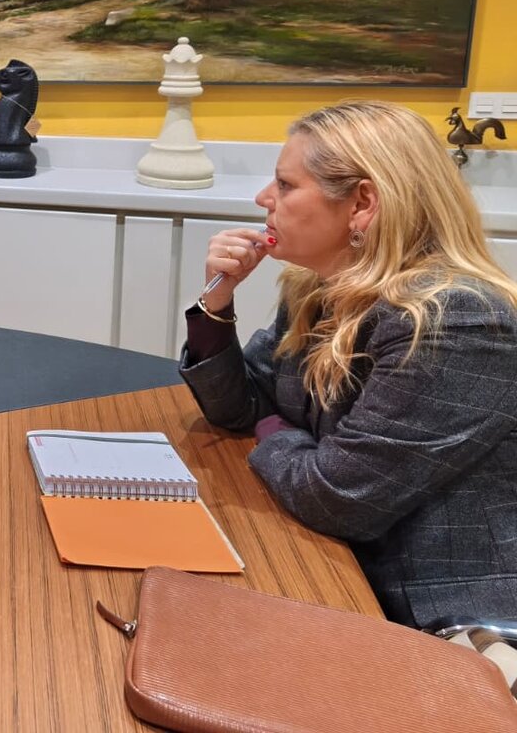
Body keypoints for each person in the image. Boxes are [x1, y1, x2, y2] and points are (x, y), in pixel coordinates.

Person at [180, 101, 517, 627]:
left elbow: (336, 497)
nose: (263, 199)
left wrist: (273, 428)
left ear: (362, 203)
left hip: (440, 616)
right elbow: (239, 406)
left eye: (286, 186)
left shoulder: (455, 319)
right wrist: (216, 303)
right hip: (336, 562)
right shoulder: (318, 287)